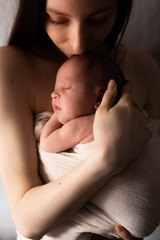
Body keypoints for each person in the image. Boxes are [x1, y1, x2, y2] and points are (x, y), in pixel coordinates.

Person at [0, 0, 160, 240]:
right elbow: (27, 222)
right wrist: (107, 159)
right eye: (58, 19)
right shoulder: (12, 67)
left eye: (99, 19)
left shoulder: (144, 68)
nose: (78, 43)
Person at [40, 53, 126, 152]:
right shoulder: (121, 117)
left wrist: (56, 115)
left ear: (99, 98)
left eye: (66, 87)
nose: (53, 94)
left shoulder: (84, 124)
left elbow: (46, 143)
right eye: (55, 88)